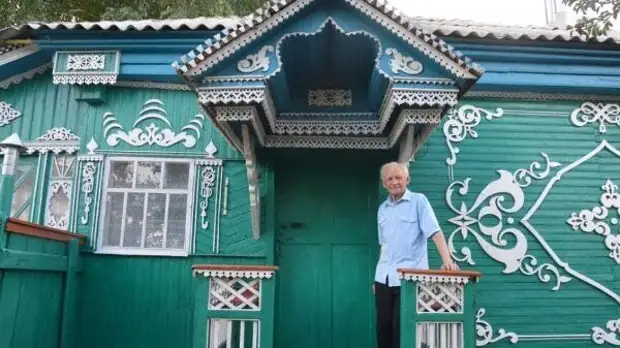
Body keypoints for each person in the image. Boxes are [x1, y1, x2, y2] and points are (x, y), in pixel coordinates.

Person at [373, 161, 459, 348]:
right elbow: (384, 245)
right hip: (384, 278)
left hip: (410, 277)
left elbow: (435, 232)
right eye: (390, 178)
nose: (394, 182)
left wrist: (448, 262)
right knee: (383, 329)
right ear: (383, 183)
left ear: (407, 180)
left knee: (402, 329)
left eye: (399, 177)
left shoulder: (419, 201)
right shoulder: (382, 209)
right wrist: (378, 278)